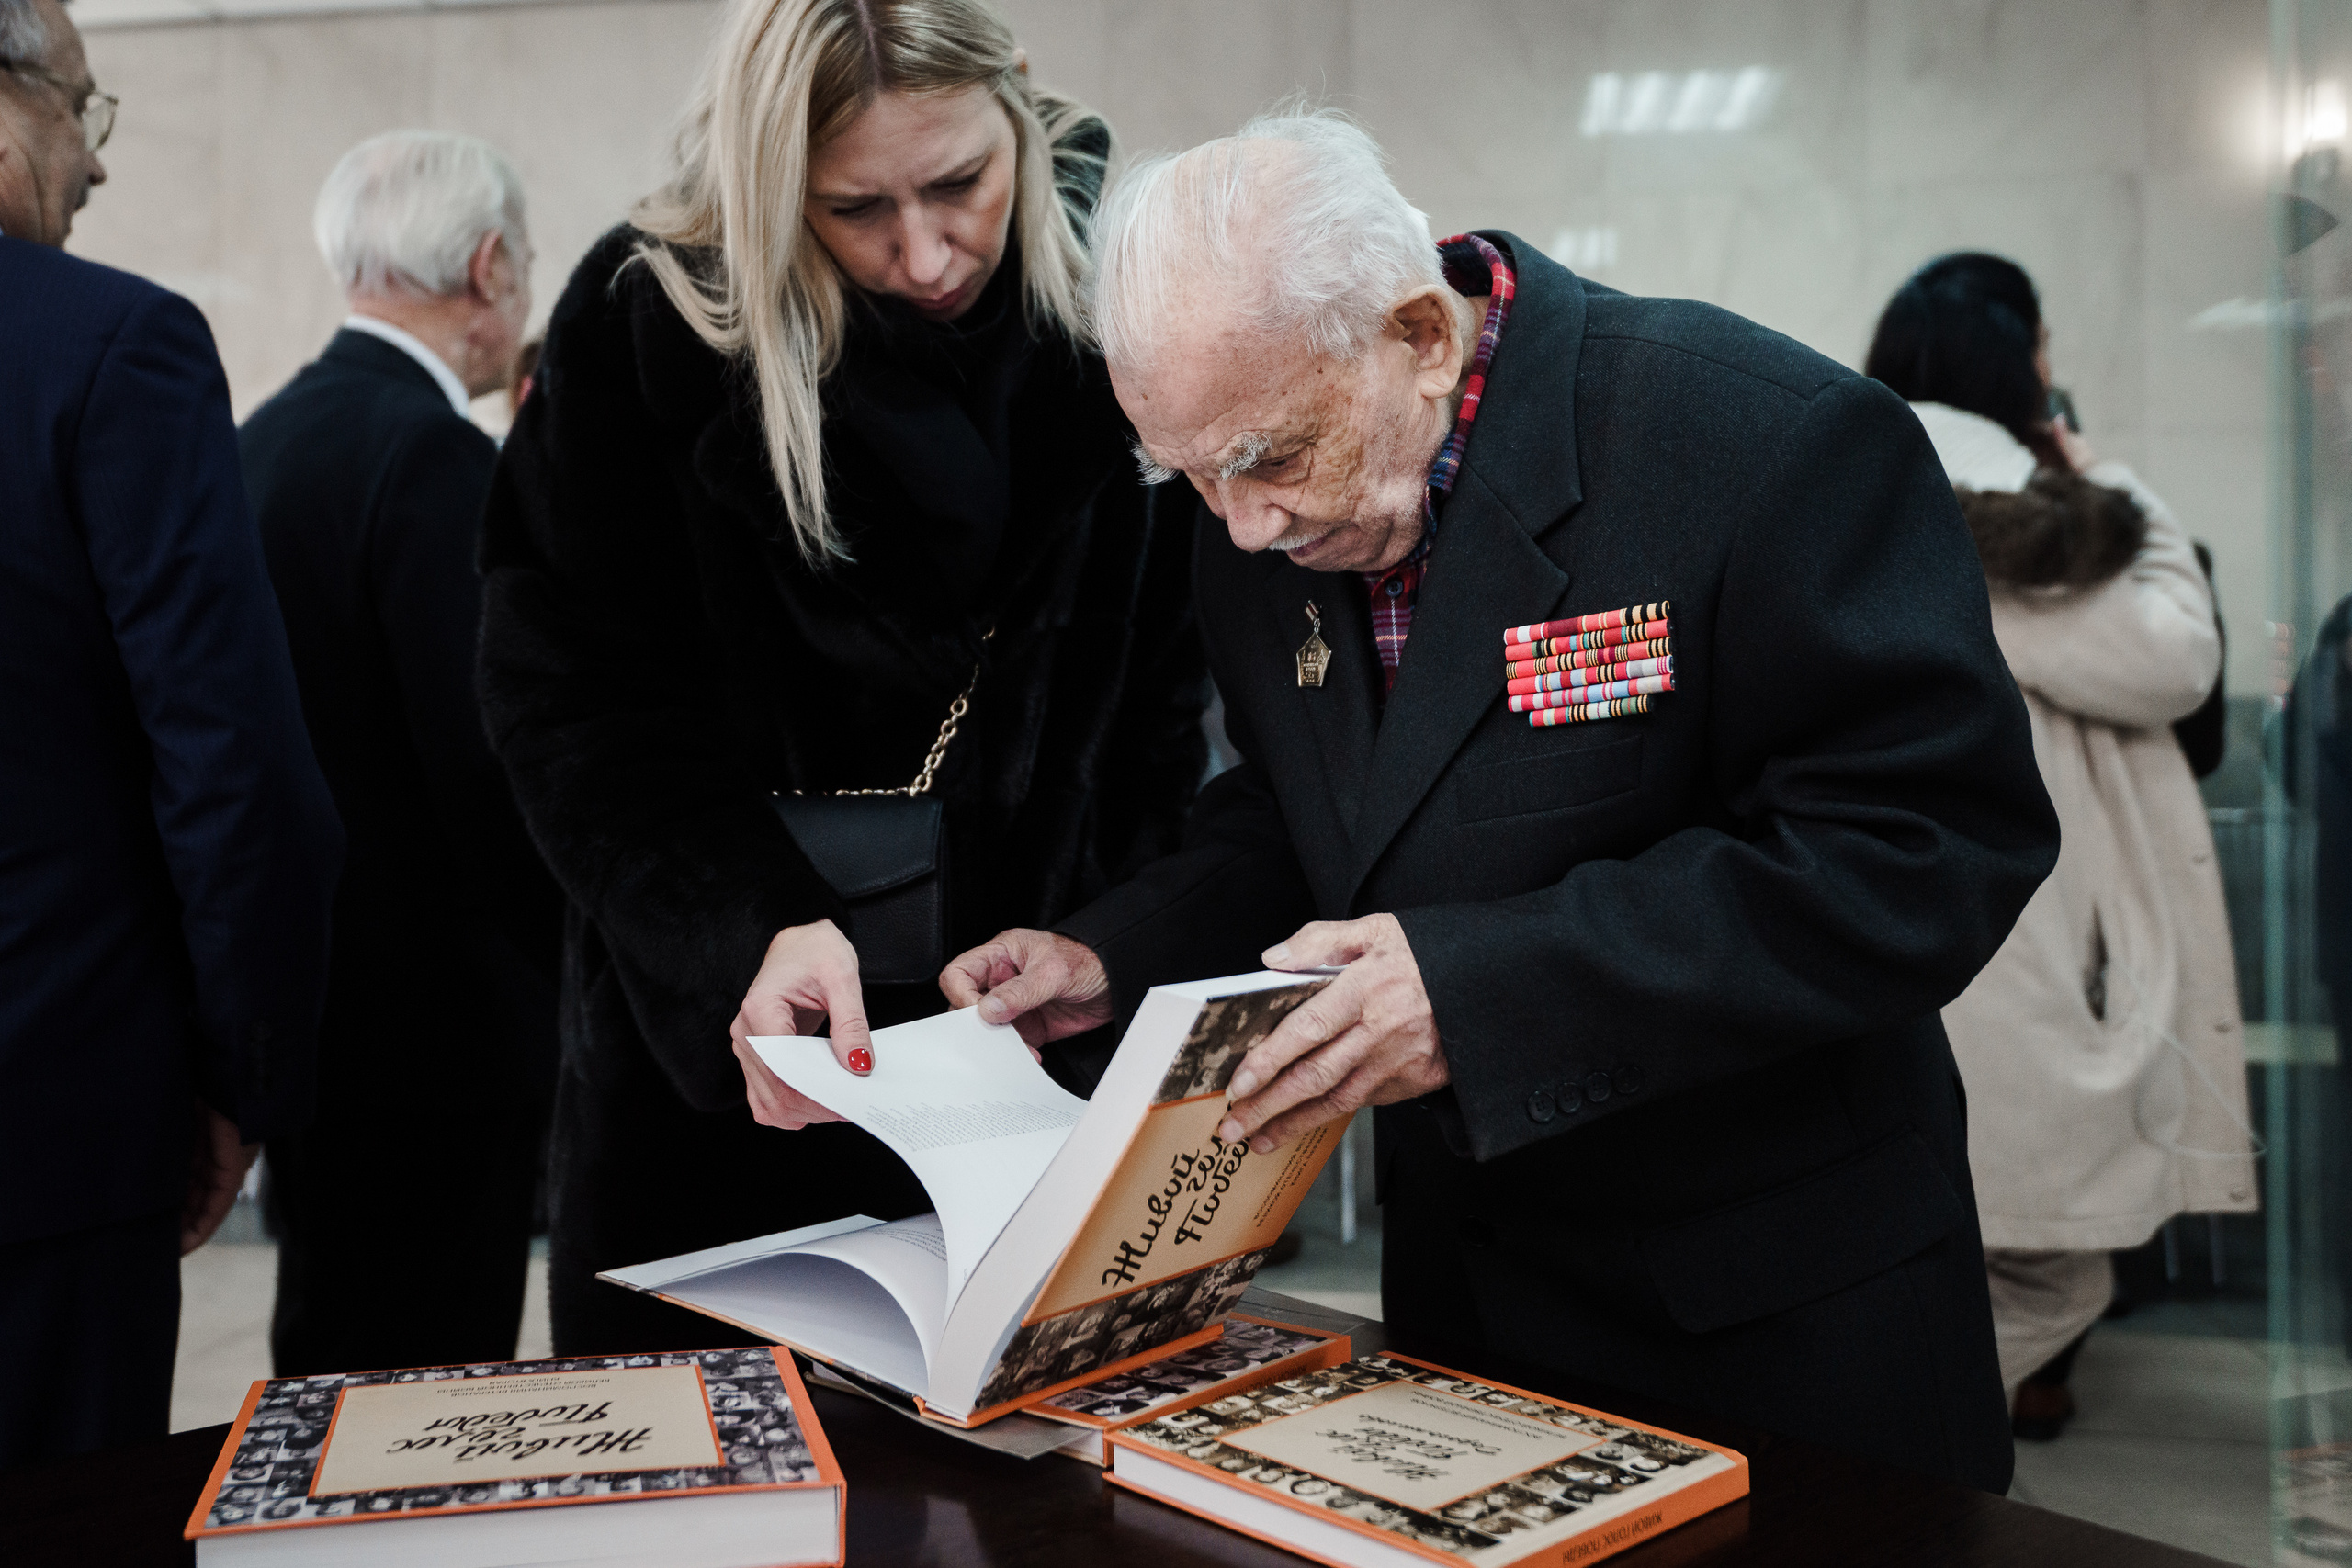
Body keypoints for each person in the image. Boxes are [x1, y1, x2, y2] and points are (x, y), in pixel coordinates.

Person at [934, 110, 2059, 1492]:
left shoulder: (1766, 441)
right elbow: (1315, 815)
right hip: (1469, 1311)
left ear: (1417, 333)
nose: (1241, 527)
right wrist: (1119, 949)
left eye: (1273, 459)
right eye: (1192, 475)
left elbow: (1926, 848)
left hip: (1777, 1321)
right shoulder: (1261, 498)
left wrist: (1480, 992)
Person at [475, 0, 1205, 1355]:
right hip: (728, 1085)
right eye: (854, 208)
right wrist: (745, 930)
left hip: (1037, 1071)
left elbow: (1173, 703)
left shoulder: (1127, 304)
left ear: (1019, 105)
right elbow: (567, 700)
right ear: (769, 187)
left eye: (960, 185)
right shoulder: (652, 326)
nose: (925, 252)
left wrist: (1116, 943)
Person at [0, 0, 342, 1471]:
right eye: (86, 107)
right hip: (46, 1140)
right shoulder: (110, 348)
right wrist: (236, 1079)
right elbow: (235, 771)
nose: (97, 161)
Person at [1866, 253, 2256, 1442]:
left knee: (1960, 1251)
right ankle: (1863, 1465)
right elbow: (2175, 661)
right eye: (2040, 349)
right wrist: (2108, 476)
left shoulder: (1865, 471)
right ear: (2016, 360)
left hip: (1921, 933)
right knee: (2048, 1265)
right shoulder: (2022, 514)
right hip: (2028, 942)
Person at [239, 130, 562, 1375]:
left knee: (327, 1360)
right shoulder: (432, 455)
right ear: (489, 268)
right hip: (439, 1046)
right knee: (425, 1385)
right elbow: (491, 758)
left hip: (319, 1019)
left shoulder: (266, 437)